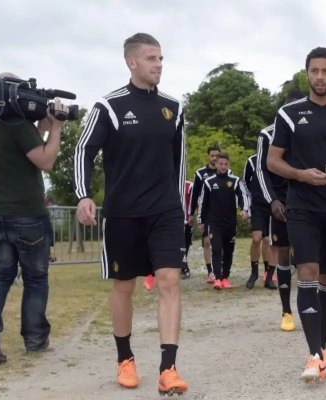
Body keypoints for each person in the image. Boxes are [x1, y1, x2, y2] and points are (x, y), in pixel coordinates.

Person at [73, 33, 188, 395]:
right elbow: (83, 150)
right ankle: (125, 359)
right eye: (152, 58)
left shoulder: (174, 108)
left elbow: (179, 163)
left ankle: (168, 369)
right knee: (125, 285)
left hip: (165, 211)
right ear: (132, 62)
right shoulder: (109, 106)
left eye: (161, 58)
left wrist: (181, 207)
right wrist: (83, 195)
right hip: (123, 213)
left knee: (169, 281)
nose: (159, 64)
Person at [267, 47, 326, 382]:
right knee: (308, 270)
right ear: (306, 73)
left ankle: (322, 348)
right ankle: (314, 356)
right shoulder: (289, 113)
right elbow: (273, 161)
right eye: (314, 71)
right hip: (302, 206)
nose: (320, 77)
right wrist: (300, 174)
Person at [0, 72, 66, 364]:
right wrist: (56, 127)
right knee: (35, 279)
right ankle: (35, 340)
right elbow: (45, 160)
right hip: (27, 216)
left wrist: (40, 126)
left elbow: (25, 149)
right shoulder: (18, 126)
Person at [256, 89, 306, 331]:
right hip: (281, 203)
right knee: (283, 255)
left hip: (306, 201)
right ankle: (286, 312)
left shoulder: (309, 131)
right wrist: (272, 200)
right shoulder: (267, 134)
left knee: (308, 257)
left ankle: (310, 308)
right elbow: (261, 170)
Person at [198, 152, 249, 289]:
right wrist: (201, 221)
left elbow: (243, 196)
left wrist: (244, 209)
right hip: (214, 223)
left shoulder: (235, 181)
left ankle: (225, 277)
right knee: (216, 249)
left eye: (226, 164)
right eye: (220, 164)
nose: (223, 166)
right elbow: (203, 203)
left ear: (229, 165)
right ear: (216, 164)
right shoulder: (209, 182)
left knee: (228, 251)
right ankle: (217, 278)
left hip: (230, 223)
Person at [241, 153, 277, 289]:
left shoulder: (277, 158)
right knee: (256, 239)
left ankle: (269, 276)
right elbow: (244, 182)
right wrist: (251, 199)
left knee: (269, 241)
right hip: (257, 206)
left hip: (273, 205)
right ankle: (254, 273)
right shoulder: (252, 160)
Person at [187, 146, 222, 284]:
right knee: (207, 242)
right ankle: (210, 271)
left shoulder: (224, 172)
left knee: (220, 242)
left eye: (216, 155)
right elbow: (194, 195)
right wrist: (191, 213)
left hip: (221, 213)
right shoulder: (200, 173)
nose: (214, 158)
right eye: (212, 155)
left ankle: (220, 269)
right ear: (208, 156)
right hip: (206, 212)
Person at [182, 180, 194, 278]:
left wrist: (191, 215)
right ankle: (184, 267)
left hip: (187, 221)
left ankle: (183, 266)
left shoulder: (189, 185)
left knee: (185, 245)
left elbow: (194, 201)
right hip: (173, 221)